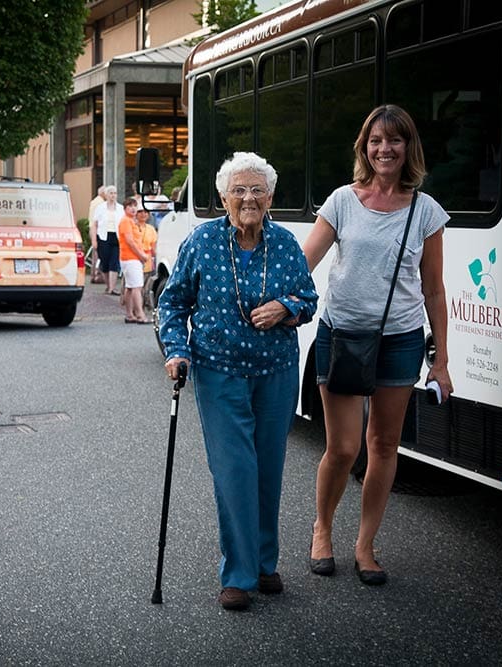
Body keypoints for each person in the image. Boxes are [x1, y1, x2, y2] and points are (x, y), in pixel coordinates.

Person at [301, 104, 453, 586]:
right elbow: (304, 262)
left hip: (400, 341)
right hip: (342, 335)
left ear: (409, 148)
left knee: (384, 445)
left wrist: (441, 361)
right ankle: (322, 529)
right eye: (375, 141)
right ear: (364, 148)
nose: (384, 149)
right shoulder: (343, 200)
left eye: (394, 140)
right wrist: (272, 302)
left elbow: (433, 289)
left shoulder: (426, 211)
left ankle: (365, 545)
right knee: (343, 448)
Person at [159, 152, 318, 610]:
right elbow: (173, 303)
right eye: (239, 190)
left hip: (276, 373)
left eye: (257, 190)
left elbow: (308, 297)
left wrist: (286, 307)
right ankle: (240, 573)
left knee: (268, 470)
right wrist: (176, 350)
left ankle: (265, 563)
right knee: (234, 472)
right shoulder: (202, 242)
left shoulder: (286, 244)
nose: (248, 197)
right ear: (223, 197)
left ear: (270, 197)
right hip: (220, 373)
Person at [117, 198, 148, 324]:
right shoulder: (126, 221)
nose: (133, 208)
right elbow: (130, 241)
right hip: (131, 258)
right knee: (136, 287)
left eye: (135, 206)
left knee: (129, 287)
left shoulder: (130, 221)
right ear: (125, 209)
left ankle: (129, 314)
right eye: (130, 206)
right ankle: (140, 314)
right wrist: (141, 255)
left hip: (128, 258)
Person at [90, 185, 122, 295]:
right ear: (106, 195)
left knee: (114, 262)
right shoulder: (100, 208)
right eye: (111, 193)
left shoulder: (120, 208)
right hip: (103, 237)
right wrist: (94, 240)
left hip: (116, 237)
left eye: (115, 193)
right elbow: (94, 224)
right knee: (104, 262)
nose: (113, 195)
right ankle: (108, 285)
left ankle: (112, 288)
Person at [87, 186, 107, 283]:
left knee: (95, 254)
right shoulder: (101, 203)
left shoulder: (94, 201)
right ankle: (97, 275)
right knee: (99, 253)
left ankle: (93, 275)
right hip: (97, 229)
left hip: (91, 227)